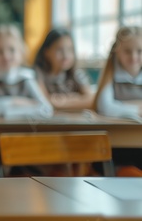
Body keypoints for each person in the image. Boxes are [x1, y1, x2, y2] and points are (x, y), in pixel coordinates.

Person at [0, 24, 53, 119]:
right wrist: (13, 102)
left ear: (21, 52)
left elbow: (46, 110)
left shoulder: (26, 77)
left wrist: (6, 113)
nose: (6, 56)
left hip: (22, 132)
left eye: (12, 50)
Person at [94, 26, 142, 176]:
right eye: (127, 51)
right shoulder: (111, 76)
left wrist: (122, 106)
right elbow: (105, 107)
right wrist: (137, 108)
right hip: (116, 147)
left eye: (139, 51)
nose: (134, 57)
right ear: (117, 52)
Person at [34, 29, 93, 110]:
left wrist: (59, 101)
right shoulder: (37, 73)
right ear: (46, 52)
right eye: (59, 50)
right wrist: (76, 98)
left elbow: (91, 100)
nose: (66, 56)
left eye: (70, 50)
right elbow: (43, 101)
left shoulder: (77, 73)